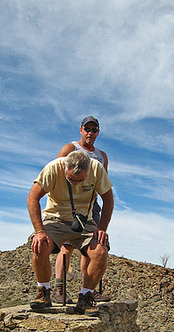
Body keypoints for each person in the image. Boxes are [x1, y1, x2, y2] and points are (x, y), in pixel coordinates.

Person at [27, 150, 114, 316]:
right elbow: (32, 198)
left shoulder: (97, 169)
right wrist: (39, 231)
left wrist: (102, 228)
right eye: (71, 179)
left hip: (84, 222)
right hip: (55, 220)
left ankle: (86, 297)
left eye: (80, 180)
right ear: (65, 167)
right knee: (39, 247)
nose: (75, 183)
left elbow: (108, 199)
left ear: (87, 171)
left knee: (101, 251)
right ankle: (44, 293)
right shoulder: (53, 168)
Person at [52, 116, 110, 304]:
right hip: (68, 206)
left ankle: (88, 290)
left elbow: (104, 181)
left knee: (89, 248)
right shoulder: (70, 149)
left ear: (98, 132)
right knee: (66, 246)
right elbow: (58, 174)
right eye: (87, 129)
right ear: (81, 130)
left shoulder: (101, 156)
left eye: (94, 130)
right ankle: (59, 288)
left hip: (91, 207)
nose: (90, 133)